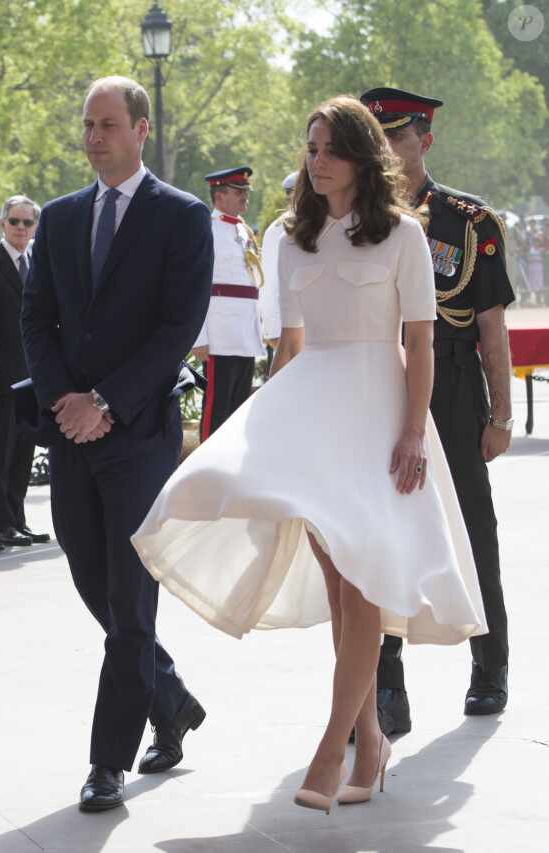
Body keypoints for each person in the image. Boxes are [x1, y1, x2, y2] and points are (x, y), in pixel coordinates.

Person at [133, 95, 486, 813]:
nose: (315, 160)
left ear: (360, 157)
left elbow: (418, 343)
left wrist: (414, 430)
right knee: (336, 582)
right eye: (310, 147)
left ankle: (333, 751)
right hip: (309, 410)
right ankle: (370, 735)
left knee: (359, 584)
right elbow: (288, 346)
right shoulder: (292, 238)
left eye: (328, 149)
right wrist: (260, 431)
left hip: (380, 415)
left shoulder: (404, 238)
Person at [20, 76, 214, 811]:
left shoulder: (183, 217)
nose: (93, 137)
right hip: (72, 434)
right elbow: (37, 320)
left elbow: (175, 327)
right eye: (86, 124)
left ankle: (108, 762)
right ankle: (173, 701)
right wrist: (68, 401)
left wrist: (105, 400)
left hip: (139, 437)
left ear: (139, 129)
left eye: (107, 124)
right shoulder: (62, 219)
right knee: (93, 584)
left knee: (131, 604)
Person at [360, 87, 514, 731]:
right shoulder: (355, 216)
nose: (387, 148)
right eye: (377, 135)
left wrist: (500, 414)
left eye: (397, 136)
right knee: (378, 535)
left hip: (450, 384)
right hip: (377, 383)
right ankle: (387, 682)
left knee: (471, 528)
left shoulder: (468, 221)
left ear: (425, 140)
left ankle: (490, 663)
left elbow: (491, 327)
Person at [0, 194, 50, 548]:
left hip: (35, 376)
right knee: (1, 452)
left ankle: (17, 521)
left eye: (27, 222)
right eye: (14, 221)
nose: (21, 229)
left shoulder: (38, 263)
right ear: (2, 223)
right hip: (3, 377)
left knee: (24, 451)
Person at [191, 167, 264, 441]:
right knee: (216, 408)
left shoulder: (243, 230)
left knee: (237, 410)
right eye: (238, 192)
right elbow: (195, 284)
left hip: (244, 333)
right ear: (219, 196)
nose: (245, 197)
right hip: (220, 334)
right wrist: (199, 337)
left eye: (246, 191)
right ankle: (207, 469)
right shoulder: (206, 230)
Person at [259, 170, 298, 351]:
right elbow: (268, 284)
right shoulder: (278, 229)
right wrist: (273, 330)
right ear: (291, 194)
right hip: (287, 325)